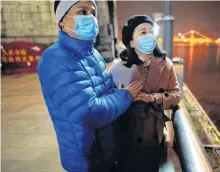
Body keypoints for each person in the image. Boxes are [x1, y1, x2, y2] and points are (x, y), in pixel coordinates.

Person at [37, 1, 143, 172]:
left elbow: (106, 91)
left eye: (92, 13)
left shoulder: (92, 54)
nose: (90, 18)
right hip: (87, 161)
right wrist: (125, 95)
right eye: (82, 12)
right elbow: (88, 113)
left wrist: (122, 90)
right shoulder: (55, 59)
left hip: (105, 152)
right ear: (62, 22)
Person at [109, 15, 182, 172]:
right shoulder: (117, 68)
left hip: (153, 133)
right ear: (131, 41)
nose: (149, 36)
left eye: (151, 31)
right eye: (143, 32)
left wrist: (152, 97)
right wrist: (122, 96)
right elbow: (108, 99)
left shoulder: (166, 64)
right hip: (126, 131)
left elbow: (176, 94)